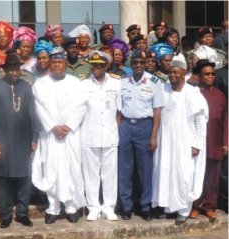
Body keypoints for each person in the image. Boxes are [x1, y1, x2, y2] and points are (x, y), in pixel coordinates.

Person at [32, 47, 88, 224]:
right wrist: (53, 127)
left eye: (60, 62)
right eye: (54, 62)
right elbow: (39, 109)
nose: (57, 65)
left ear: (65, 64)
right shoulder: (40, 83)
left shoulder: (75, 83)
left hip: (70, 135)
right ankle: (53, 208)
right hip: (50, 136)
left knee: (71, 170)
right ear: (50, 63)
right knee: (52, 170)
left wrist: (68, 126)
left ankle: (71, 208)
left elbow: (82, 107)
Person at [152, 56, 208, 225]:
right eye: (170, 72)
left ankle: (184, 209)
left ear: (184, 74)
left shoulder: (193, 93)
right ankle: (169, 208)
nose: (172, 75)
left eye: (176, 72)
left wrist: (197, 144)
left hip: (185, 142)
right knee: (166, 172)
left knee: (184, 174)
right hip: (166, 141)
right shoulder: (163, 89)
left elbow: (200, 122)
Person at [0, 52, 39, 229]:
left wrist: (35, 137)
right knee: (6, 178)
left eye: (17, 69)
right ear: (5, 70)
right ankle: (6, 214)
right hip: (3, 139)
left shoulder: (27, 87)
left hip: (24, 139)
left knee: (25, 177)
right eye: (11, 69)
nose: (14, 72)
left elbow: (33, 113)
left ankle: (23, 213)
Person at [119, 50, 164, 221]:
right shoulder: (123, 81)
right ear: (131, 63)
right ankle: (126, 207)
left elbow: (157, 110)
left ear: (146, 64)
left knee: (145, 169)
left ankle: (145, 206)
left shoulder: (153, 82)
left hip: (145, 127)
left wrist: (154, 135)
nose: (138, 65)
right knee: (125, 169)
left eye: (141, 63)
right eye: (135, 62)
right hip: (125, 126)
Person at [80, 51, 121, 221]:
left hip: (110, 135)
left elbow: (119, 111)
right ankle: (93, 207)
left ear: (106, 66)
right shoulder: (83, 85)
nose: (95, 68)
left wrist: (113, 128)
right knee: (91, 174)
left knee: (110, 173)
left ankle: (109, 207)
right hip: (89, 134)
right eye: (93, 65)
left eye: (99, 65)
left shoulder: (116, 84)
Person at [190, 59, 228, 222]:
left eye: (213, 74)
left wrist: (225, 142)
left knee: (212, 175)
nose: (211, 77)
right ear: (199, 76)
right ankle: (195, 206)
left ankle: (210, 206)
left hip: (215, 140)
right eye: (207, 74)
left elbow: (226, 119)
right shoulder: (192, 94)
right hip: (197, 142)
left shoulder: (219, 94)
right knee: (196, 174)